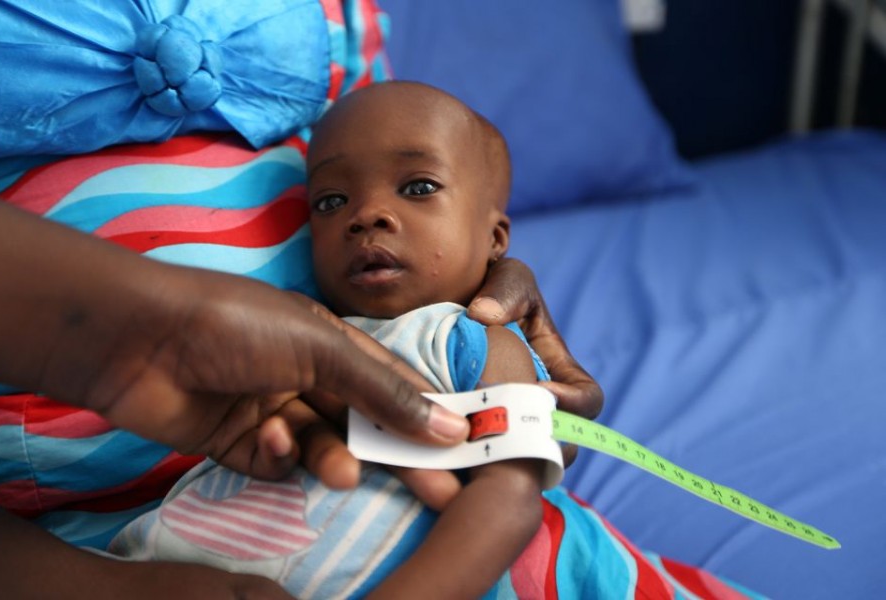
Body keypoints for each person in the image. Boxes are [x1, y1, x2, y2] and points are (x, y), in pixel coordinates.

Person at [108, 82, 762, 599]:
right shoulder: (297, 336)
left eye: (418, 187)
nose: (367, 213)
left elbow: (509, 501)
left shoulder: (471, 338)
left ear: (495, 241)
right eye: (332, 201)